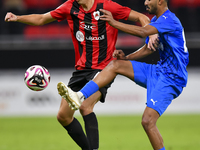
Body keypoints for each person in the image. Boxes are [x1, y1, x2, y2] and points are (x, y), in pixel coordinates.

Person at [5, 0, 157, 149]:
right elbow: (42, 18)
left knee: (85, 106)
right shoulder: (70, 6)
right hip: (81, 69)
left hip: (104, 69)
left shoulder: (107, 5)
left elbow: (141, 17)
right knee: (63, 116)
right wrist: (17, 18)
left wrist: (150, 34)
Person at [56, 0, 189, 150]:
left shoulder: (169, 20)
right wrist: (127, 58)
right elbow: (149, 48)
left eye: (148, 0)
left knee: (147, 121)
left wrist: (113, 22)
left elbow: (142, 32)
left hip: (172, 78)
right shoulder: (156, 21)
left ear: (159, 1)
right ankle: (80, 96)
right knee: (115, 64)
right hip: (158, 71)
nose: (145, 2)